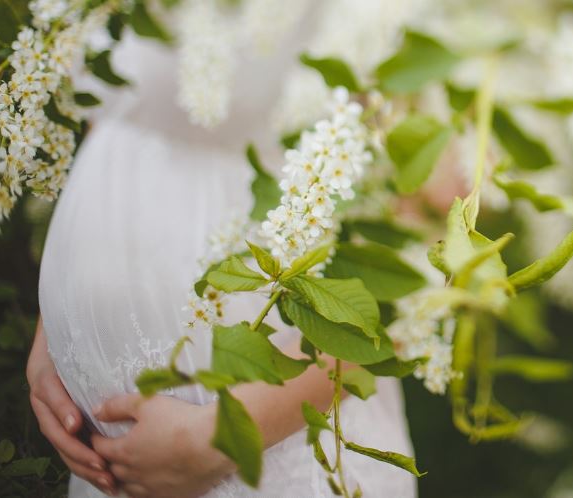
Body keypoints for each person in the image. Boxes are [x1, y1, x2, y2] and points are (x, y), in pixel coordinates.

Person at [26, 26, 416, 498]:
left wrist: (226, 436)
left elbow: (421, 251)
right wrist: (55, 339)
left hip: (271, 448)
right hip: (106, 461)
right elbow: (113, 122)